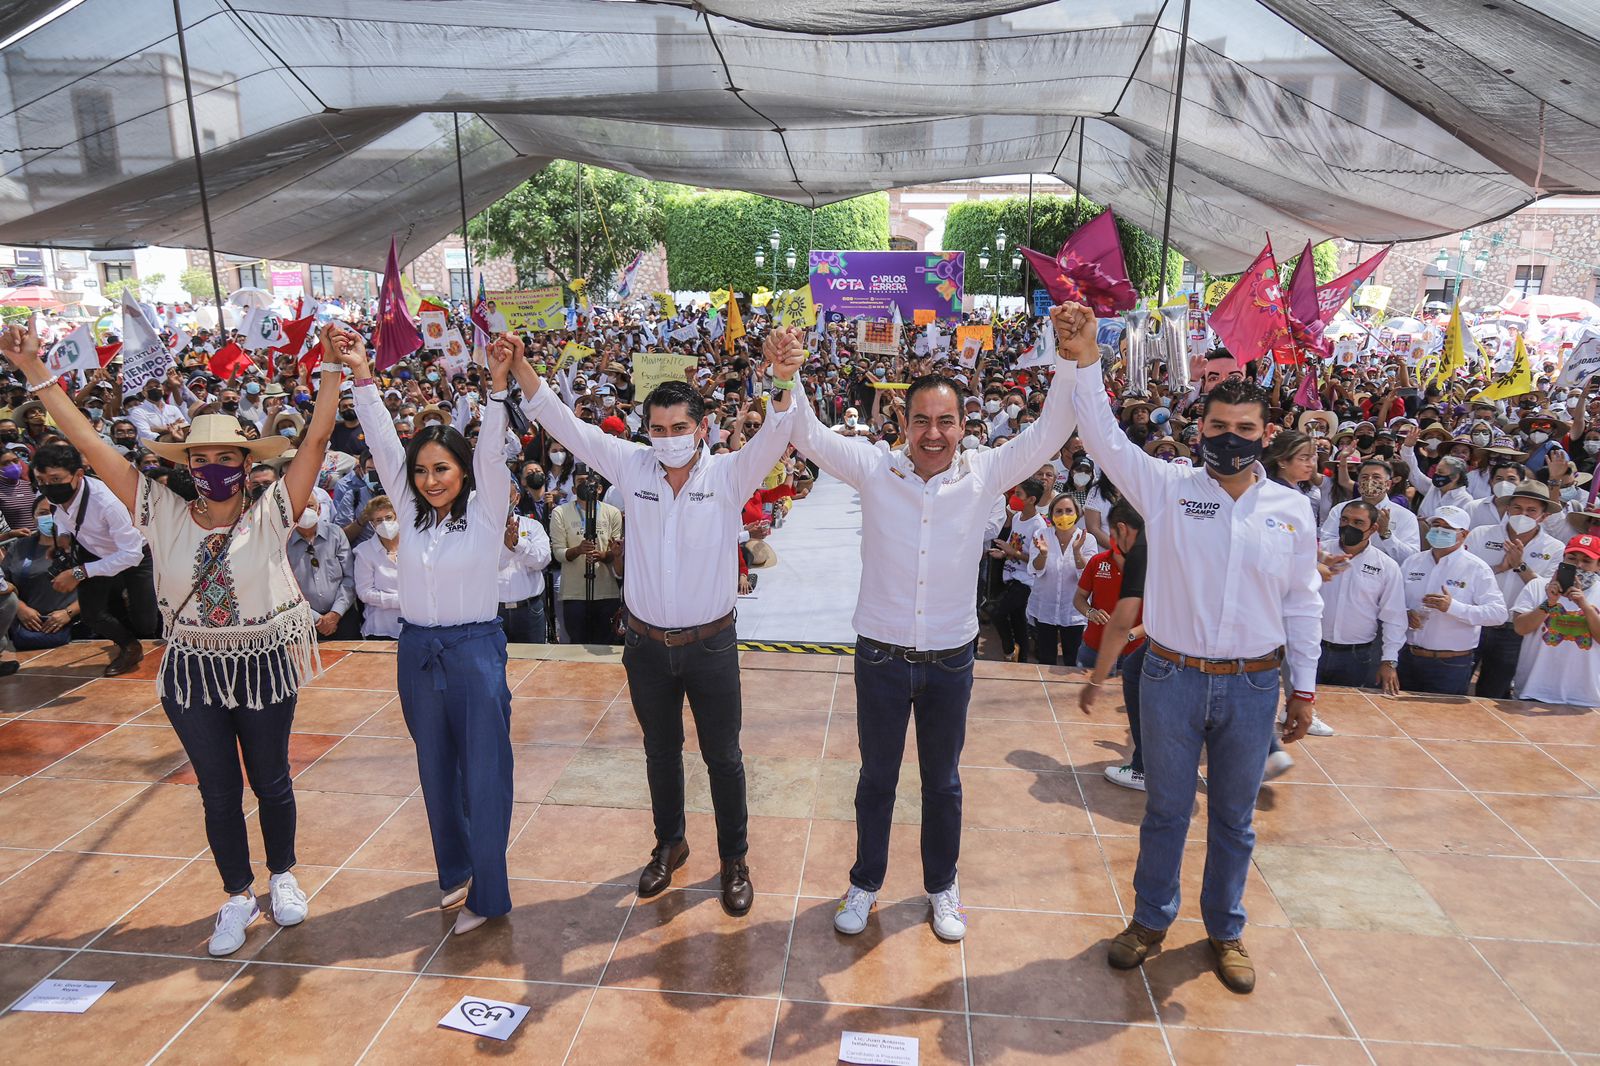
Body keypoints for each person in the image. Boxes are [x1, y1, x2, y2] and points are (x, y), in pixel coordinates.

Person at [1, 318, 344, 957]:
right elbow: (87, 441)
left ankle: (284, 875)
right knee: (217, 788)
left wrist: (328, 367)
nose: (214, 468)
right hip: (190, 670)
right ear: (187, 465)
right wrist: (33, 374)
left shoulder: (272, 511)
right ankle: (238, 895)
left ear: (247, 464)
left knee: (270, 780)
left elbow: (318, 439)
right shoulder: (155, 507)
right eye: (202, 458)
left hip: (264, 662)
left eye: (227, 458)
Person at [779, 309, 1082, 946]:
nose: (934, 433)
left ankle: (942, 887)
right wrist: (788, 374)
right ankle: (865, 882)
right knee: (876, 778)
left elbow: (1054, 427)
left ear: (963, 426)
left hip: (950, 658)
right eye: (921, 420)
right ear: (902, 423)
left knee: (942, 781)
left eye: (947, 421)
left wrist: (1070, 355)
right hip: (881, 656)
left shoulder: (985, 475)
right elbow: (805, 433)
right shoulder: (873, 469)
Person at [1066, 308, 1320, 996]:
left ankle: (1225, 930)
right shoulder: (1168, 488)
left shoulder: (1291, 510)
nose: (1230, 440)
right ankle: (1150, 922)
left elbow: (1302, 602)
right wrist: (1087, 359)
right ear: (1198, 429)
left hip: (1254, 685)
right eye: (1217, 428)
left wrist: (1304, 689)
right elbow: (1103, 437)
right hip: (1171, 678)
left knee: (1235, 820)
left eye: (1244, 431)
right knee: (1167, 813)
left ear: (1266, 436)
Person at [513, 330, 803, 919]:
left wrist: (781, 378)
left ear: (702, 429)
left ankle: (734, 859)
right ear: (648, 430)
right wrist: (522, 369)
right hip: (645, 646)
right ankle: (670, 842)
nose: (668, 440)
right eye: (659, 429)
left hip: (712, 645)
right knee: (660, 752)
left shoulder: (728, 475)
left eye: (679, 428)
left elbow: (778, 430)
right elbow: (567, 424)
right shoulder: (631, 466)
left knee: (724, 757)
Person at [341, 329, 519, 937]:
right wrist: (363, 374)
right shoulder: (410, 515)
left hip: (474, 653)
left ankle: (489, 895)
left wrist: (497, 388)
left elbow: (492, 453)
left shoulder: (488, 509)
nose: (429, 480)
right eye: (421, 471)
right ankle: (457, 870)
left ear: (464, 472)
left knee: (486, 771)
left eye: (442, 469)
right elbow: (385, 445)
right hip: (416, 652)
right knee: (436, 768)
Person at [31, 440, 159, 676]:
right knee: (92, 614)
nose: (48, 486)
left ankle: (141, 632)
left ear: (78, 474)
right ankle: (129, 647)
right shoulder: (52, 493)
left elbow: (130, 554)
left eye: (56, 480)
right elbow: (60, 515)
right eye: (41, 480)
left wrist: (78, 573)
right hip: (93, 552)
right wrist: (63, 538)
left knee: (146, 623)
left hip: (136, 555)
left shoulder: (107, 502)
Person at [1078, 500, 1149, 792]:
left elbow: (1121, 622)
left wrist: (1096, 682)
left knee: (1133, 671)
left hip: (1189, 638)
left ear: (1121, 529)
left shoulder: (1142, 551)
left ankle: (1143, 769)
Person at [1399, 506, 1508, 695]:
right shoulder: (1412, 562)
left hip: (1450, 664)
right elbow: (1395, 601)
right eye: (1436, 525)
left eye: (1447, 528)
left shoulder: (1476, 568)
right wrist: (1406, 613)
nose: (1439, 531)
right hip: (1408, 657)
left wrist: (1453, 607)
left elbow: (1498, 614)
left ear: (1464, 534)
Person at [1318, 500, 1406, 694]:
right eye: (1345, 520)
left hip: (1356, 656)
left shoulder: (1387, 566)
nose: (1349, 526)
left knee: (1347, 713)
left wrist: (1389, 661)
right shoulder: (1317, 553)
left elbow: (1394, 617)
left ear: (1373, 528)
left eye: (1358, 523)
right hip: (1312, 648)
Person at [1510, 533, 1600, 707]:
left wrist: (1584, 606)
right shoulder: (1537, 586)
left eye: (1587, 561)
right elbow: (1520, 628)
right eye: (1572, 558)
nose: (1578, 565)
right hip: (1534, 691)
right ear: (1563, 558)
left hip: (1585, 697)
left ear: (1598, 565)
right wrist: (1550, 602)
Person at [548, 467, 623, 644]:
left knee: (604, 645)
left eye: (591, 483)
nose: (586, 486)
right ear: (573, 490)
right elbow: (558, 552)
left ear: (600, 489)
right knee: (578, 647)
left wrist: (604, 555)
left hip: (606, 592)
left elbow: (616, 550)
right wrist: (578, 550)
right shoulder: (560, 512)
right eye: (581, 482)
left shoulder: (612, 513)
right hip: (575, 594)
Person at [2, 495, 80, 651]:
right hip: (29, 631)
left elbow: (96, 585)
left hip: (76, 630)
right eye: (43, 512)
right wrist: (20, 608)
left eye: (54, 511)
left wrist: (68, 613)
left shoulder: (80, 546)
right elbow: (4, 582)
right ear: (33, 518)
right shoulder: (20, 547)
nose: (49, 517)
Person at [1026, 493, 1094, 666]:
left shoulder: (1087, 539)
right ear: (1052, 515)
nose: (1064, 515)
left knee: (1072, 659)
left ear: (1077, 513)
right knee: (1046, 658)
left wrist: (1077, 552)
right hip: (1045, 607)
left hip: (1073, 611)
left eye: (1069, 511)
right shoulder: (1041, 535)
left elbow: (1087, 576)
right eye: (1059, 511)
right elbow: (1035, 569)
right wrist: (1043, 554)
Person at [285, 492, 359, 641]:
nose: (305, 511)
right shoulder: (283, 542)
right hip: (301, 623)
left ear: (319, 510)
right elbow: (284, 586)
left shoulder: (335, 534)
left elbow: (350, 577)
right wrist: (316, 618)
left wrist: (335, 614)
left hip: (342, 618)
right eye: (300, 507)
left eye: (310, 506)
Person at [989, 477, 1047, 662]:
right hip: (1011, 575)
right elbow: (1013, 546)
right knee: (1018, 621)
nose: (1014, 497)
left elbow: (1038, 559)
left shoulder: (1039, 525)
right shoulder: (1016, 518)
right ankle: (1021, 660)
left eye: (1018, 494)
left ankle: (1008, 650)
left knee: (998, 612)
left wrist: (1011, 551)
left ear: (1031, 499)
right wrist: (1003, 553)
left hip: (1026, 581)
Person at [1320, 456, 1419, 563]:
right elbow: (1326, 543)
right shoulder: (1341, 509)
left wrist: (1386, 535)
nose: (1370, 481)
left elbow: (1411, 558)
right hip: (1343, 567)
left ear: (1388, 484)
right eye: (1364, 477)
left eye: (1376, 477)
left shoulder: (1405, 516)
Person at [497, 478, 552, 643]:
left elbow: (542, 560)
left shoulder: (532, 526)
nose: (501, 502)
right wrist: (507, 549)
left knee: (533, 662)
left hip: (529, 611)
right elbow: (485, 566)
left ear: (517, 498)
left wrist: (517, 543)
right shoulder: (482, 530)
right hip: (494, 612)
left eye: (506, 496)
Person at [352, 495, 401, 639]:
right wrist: (400, 601)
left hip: (416, 626)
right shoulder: (364, 551)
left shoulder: (414, 545)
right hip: (381, 630)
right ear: (372, 525)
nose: (384, 523)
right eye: (378, 520)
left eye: (388, 517)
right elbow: (364, 592)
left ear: (397, 517)